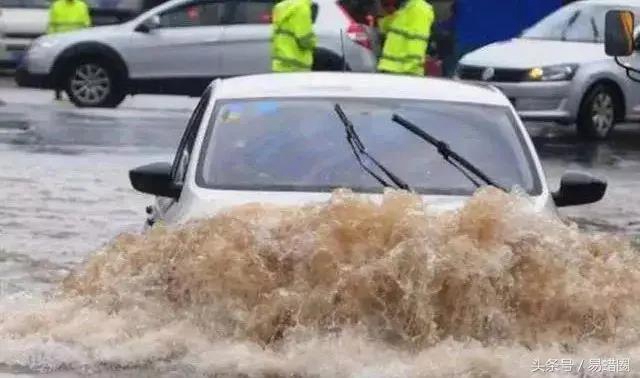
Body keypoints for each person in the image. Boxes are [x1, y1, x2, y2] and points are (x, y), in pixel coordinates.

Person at [47, 0, 92, 100]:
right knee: (59, 68)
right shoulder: (56, 5)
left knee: (76, 68)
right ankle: (58, 91)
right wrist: (51, 39)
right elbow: (51, 24)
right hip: (60, 41)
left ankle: (75, 92)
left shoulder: (82, 5)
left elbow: (87, 25)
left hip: (77, 41)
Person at [377, 0, 434, 76]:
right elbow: (388, 26)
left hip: (403, 72)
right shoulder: (407, 7)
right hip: (393, 70)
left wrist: (410, 70)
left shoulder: (418, 8)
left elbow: (417, 41)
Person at [271, 0, 316, 72]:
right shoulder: (302, 8)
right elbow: (305, 40)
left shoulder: (279, 7)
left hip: (279, 65)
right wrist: (313, 42)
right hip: (296, 67)